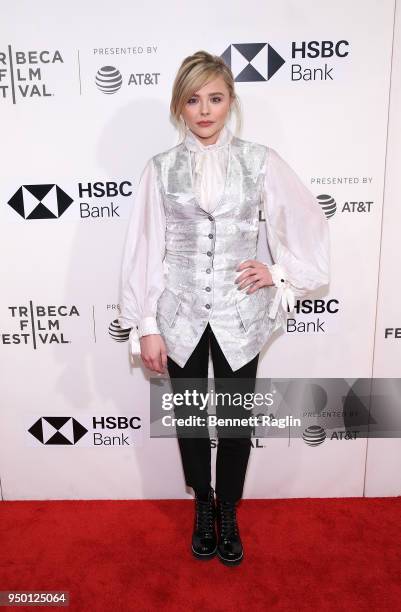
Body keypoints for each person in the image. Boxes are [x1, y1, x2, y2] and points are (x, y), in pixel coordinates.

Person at [118, 50, 330, 566]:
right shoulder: (160, 169)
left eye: (215, 98)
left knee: (235, 420)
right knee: (190, 418)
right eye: (193, 100)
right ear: (179, 107)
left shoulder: (260, 160)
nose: (205, 110)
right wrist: (147, 324)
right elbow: (144, 246)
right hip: (180, 312)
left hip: (241, 313)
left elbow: (304, 222)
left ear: (230, 101)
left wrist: (279, 273)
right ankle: (202, 507)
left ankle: (228, 509)